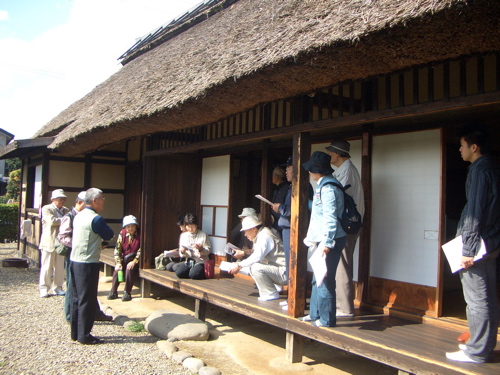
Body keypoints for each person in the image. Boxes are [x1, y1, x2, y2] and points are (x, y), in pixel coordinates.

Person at [445, 124, 500, 363]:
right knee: (486, 297)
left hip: (478, 245)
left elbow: (475, 212)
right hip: (491, 240)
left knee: (477, 299)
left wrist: (467, 249)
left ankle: (477, 351)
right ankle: (480, 346)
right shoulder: (493, 168)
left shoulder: (479, 170)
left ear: (474, 147)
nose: (459, 149)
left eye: (462, 145)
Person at [299, 151, 346, 327]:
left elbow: (330, 217)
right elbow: (321, 210)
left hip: (329, 240)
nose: (309, 172)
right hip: (322, 239)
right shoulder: (324, 185)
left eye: (311, 169)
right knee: (316, 278)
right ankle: (315, 313)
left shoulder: (328, 188)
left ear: (318, 170)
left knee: (325, 280)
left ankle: (326, 320)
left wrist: (327, 243)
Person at [58, 192, 112, 322]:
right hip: (75, 255)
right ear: (80, 202)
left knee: (88, 289)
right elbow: (63, 237)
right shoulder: (70, 216)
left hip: (86, 254)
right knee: (74, 287)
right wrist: (78, 244)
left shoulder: (86, 217)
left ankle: (94, 312)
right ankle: (71, 315)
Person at [326, 139, 365, 318]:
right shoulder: (345, 170)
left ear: (338, 154)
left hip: (346, 225)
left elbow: (339, 199)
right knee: (342, 262)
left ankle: (345, 307)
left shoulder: (347, 171)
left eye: (331, 152)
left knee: (342, 264)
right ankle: (341, 304)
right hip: (347, 224)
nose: (329, 155)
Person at [70, 188, 114, 344]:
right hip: (88, 262)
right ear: (95, 200)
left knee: (77, 298)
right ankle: (84, 335)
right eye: (102, 198)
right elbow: (109, 234)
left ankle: (75, 333)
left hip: (75, 260)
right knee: (87, 299)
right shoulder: (96, 219)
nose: (104, 201)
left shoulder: (78, 215)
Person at [229, 215, 287, 301]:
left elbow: (257, 256)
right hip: (279, 270)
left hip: (284, 272)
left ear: (253, 228)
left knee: (255, 267)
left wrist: (239, 265)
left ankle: (270, 293)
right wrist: (238, 264)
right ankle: (273, 288)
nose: (245, 235)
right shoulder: (261, 234)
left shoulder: (264, 235)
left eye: (246, 231)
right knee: (252, 266)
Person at [39, 189, 69, 298]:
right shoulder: (47, 208)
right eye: (60, 198)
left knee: (60, 267)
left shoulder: (66, 210)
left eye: (63, 199)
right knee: (47, 266)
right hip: (49, 242)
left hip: (61, 242)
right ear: (53, 199)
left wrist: (64, 220)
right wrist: (65, 220)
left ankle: (58, 287)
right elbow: (52, 221)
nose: (62, 201)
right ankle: (44, 288)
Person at [107, 215, 141, 302]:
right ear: (125, 227)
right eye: (128, 226)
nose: (131, 228)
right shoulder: (122, 233)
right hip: (124, 258)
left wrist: (135, 261)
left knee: (130, 269)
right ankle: (113, 291)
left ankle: (127, 292)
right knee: (118, 269)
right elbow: (117, 249)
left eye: (133, 226)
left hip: (135, 259)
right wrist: (118, 262)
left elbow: (142, 250)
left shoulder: (140, 234)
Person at [175, 213, 211, 279]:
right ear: (185, 226)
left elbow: (208, 250)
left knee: (194, 275)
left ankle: (194, 271)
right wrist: (182, 252)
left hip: (200, 261)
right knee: (179, 273)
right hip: (189, 260)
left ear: (196, 225)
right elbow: (181, 253)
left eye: (192, 226)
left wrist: (201, 249)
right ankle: (191, 270)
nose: (190, 228)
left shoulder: (203, 235)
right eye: (188, 226)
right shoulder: (183, 235)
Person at [271, 166, 289, 236]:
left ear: (277, 177)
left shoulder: (285, 188)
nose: (272, 177)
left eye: (273, 175)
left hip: (281, 220)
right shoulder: (277, 188)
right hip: (275, 220)